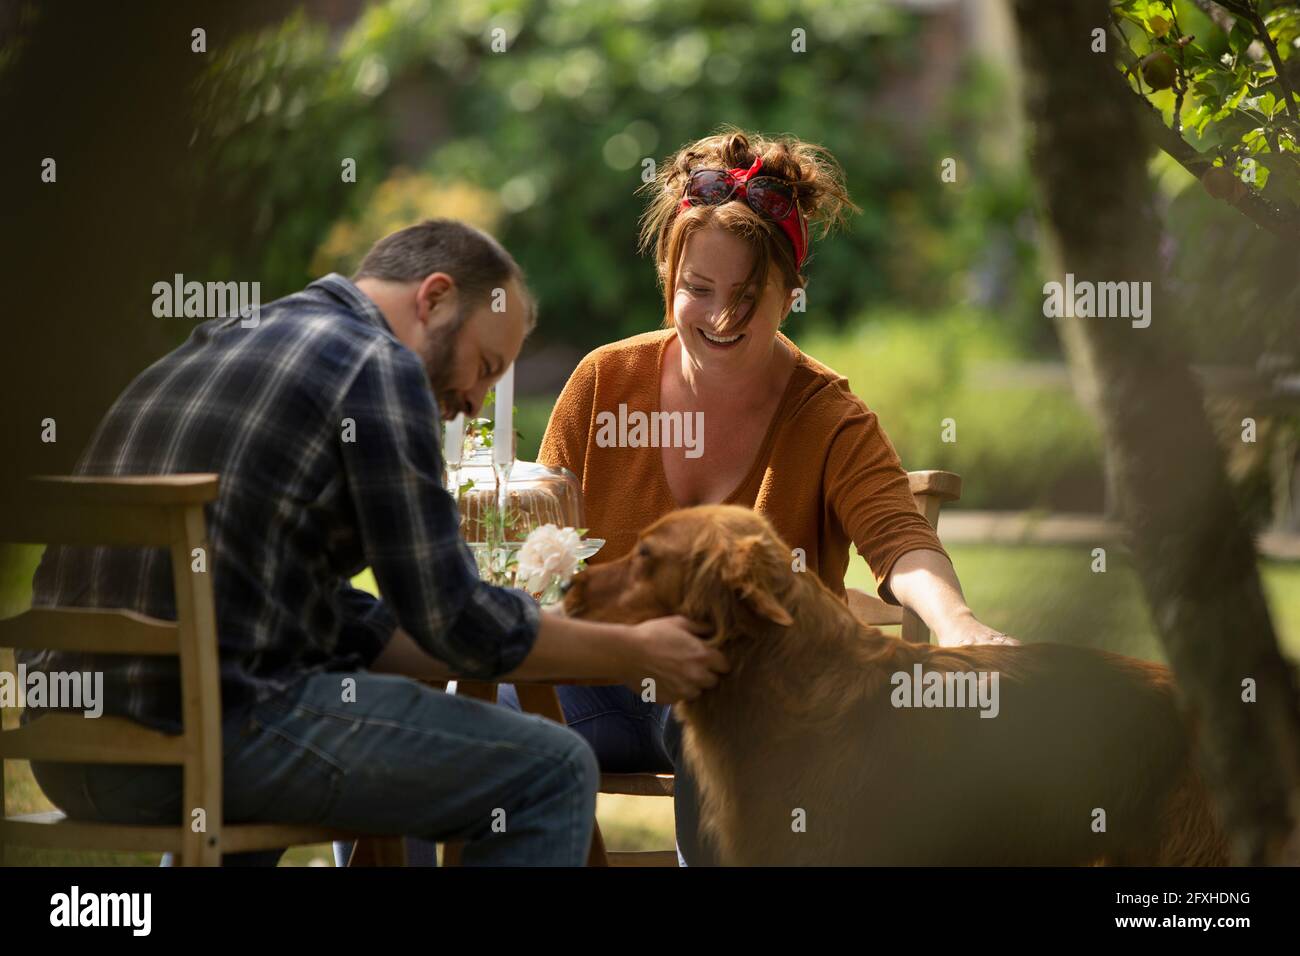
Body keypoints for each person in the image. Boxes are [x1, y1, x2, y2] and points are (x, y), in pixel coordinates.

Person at [21, 219, 726, 866]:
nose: (474, 404)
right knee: (550, 768)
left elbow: (298, 608)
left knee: (310, 694)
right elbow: (456, 623)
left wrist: (540, 636)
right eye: (484, 366)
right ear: (436, 298)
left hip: (71, 749)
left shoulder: (213, 344)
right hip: (213, 743)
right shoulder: (375, 365)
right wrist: (632, 651)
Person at [497, 129, 1016, 865]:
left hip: (748, 690)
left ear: (790, 291)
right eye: (697, 291)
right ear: (668, 278)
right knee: (455, 723)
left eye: (748, 295)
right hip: (598, 675)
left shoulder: (827, 413)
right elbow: (537, 541)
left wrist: (956, 620)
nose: (719, 318)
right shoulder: (605, 382)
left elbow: (899, 539)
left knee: (725, 724)